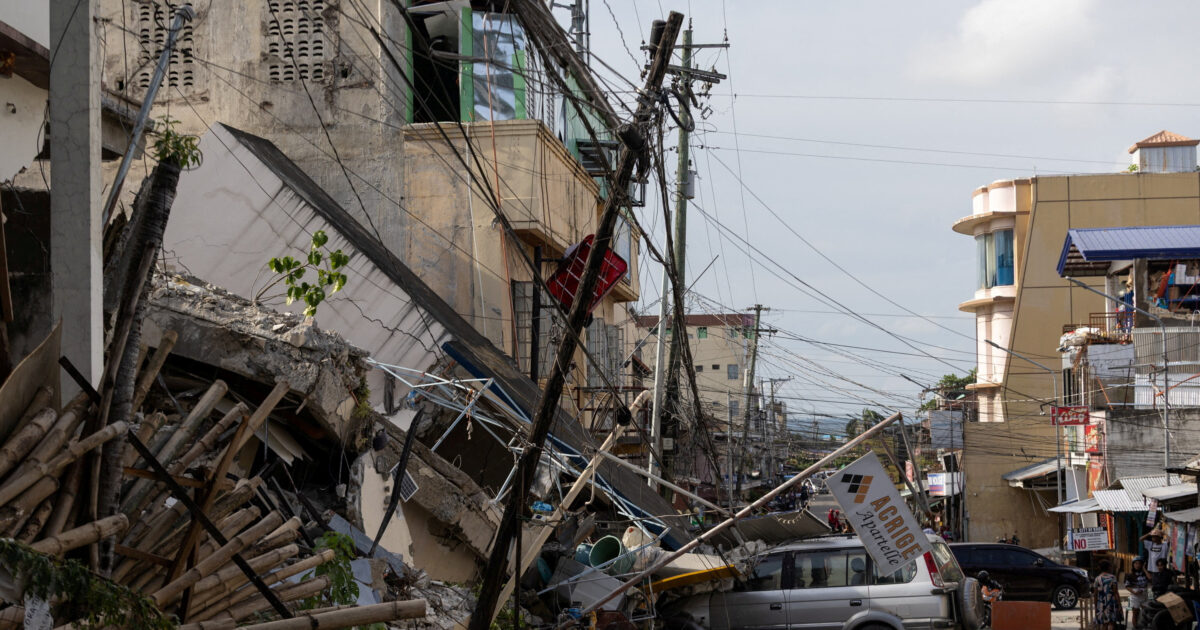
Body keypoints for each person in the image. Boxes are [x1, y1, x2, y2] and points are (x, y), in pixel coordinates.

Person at [1093, 560, 1122, 630]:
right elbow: (1116, 592)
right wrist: (1119, 604)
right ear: (1109, 567)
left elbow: (1095, 594)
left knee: (1103, 623)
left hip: (1101, 603)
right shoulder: (1113, 578)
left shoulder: (1097, 578)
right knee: (1111, 623)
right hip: (1111, 603)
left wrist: (1096, 605)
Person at [1125, 558, 1150, 627]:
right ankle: (1135, 628)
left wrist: (1144, 569)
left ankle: (1145, 627)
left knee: (1146, 612)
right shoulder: (1130, 575)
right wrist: (1134, 592)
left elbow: (1150, 578)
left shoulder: (1145, 574)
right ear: (1133, 565)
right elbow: (1127, 586)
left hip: (1144, 596)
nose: (1137, 565)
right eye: (1136, 563)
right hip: (1135, 596)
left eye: (1139, 563)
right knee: (1135, 613)